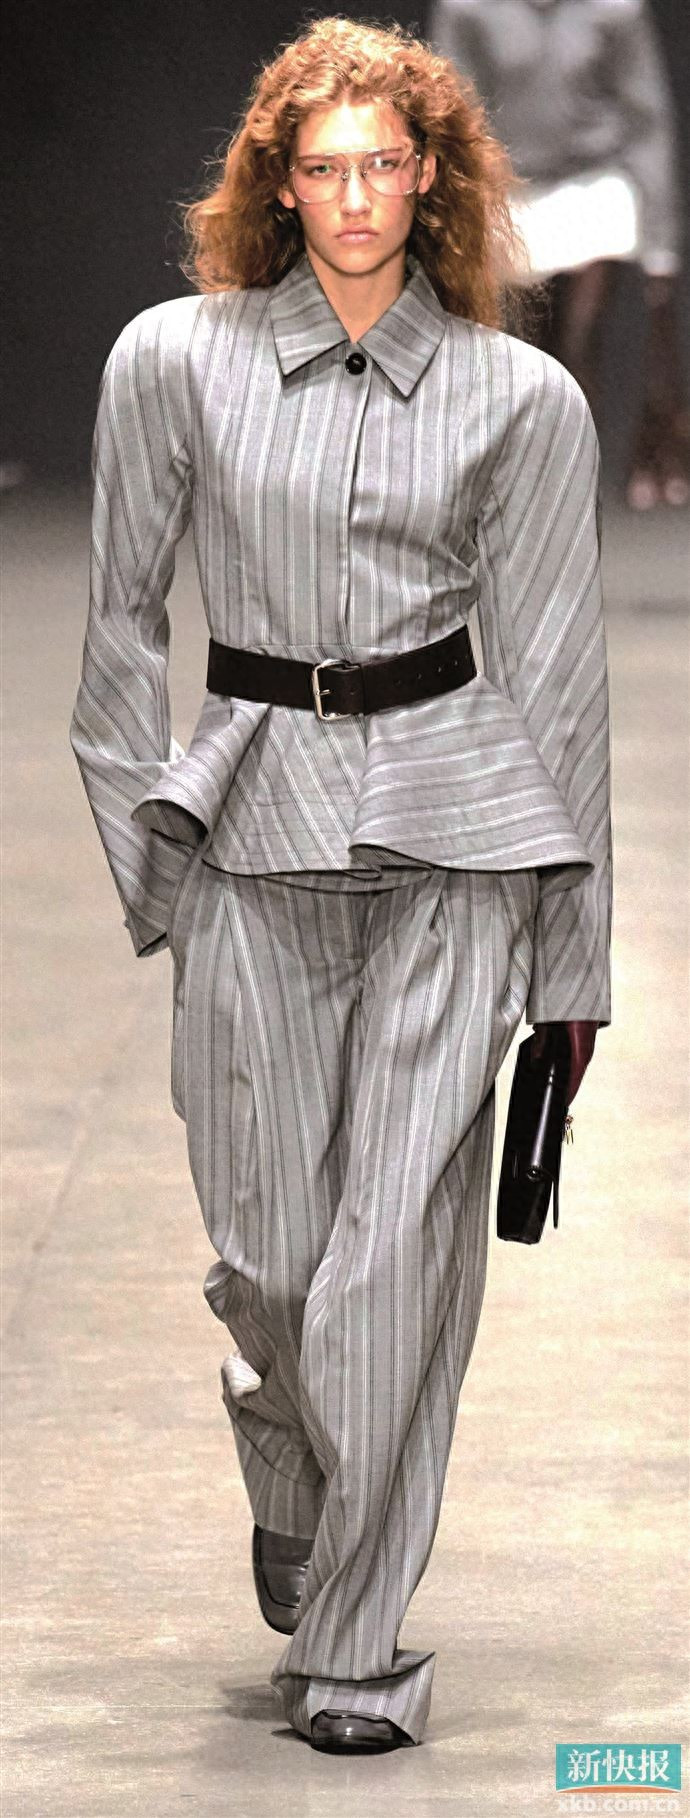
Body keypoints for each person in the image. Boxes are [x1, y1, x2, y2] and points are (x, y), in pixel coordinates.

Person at [70, 14, 612, 1756]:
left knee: (393, 1269)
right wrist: (150, 855)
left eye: (387, 162)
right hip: (249, 826)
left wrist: (573, 968)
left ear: (431, 175)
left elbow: (559, 679)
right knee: (275, 1264)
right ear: (279, 184)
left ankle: (357, 1651)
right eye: (325, 167)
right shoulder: (174, 361)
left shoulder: (522, 398)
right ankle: (290, 1457)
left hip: (458, 832)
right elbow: (116, 630)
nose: (359, 195)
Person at [427, 0, 689, 508]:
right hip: (505, 191)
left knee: (576, 346)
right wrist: (446, 220)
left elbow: (646, 119)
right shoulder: (470, 10)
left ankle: (566, 478)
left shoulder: (615, 9)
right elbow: (448, 115)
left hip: (593, 183)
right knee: (520, 348)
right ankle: (517, 474)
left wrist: (661, 242)